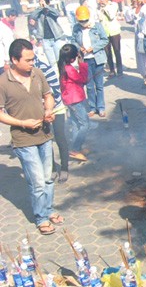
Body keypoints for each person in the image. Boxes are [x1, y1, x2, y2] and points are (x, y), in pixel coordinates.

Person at [0, 39, 63, 235]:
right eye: (28, 60)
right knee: (36, 181)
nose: (32, 63)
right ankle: (41, 218)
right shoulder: (3, 82)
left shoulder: (37, 74)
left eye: (33, 59)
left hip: (44, 134)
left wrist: (49, 110)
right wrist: (22, 123)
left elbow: (48, 95)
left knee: (48, 178)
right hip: (23, 139)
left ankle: (49, 209)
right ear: (14, 60)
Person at [33, 55, 70, 183]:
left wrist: (48, 108)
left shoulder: (45, 69)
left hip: (56, 108)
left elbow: (56, 92)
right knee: (47, 140)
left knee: (60, 138)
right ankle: (52, 168)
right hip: (39, 110)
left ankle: (64, 168)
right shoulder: (22, 73)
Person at [71, 5, 108, 118]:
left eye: (85, 20)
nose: (83, 22)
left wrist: (94, 47)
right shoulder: (76, 28)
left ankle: (101, 107)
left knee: (99, 86)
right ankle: (92, 107)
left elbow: (105, 40)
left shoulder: (96, 26)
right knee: (90, 86)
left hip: (97, 59)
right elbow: (73, 41)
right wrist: (79, 48)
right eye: (81, 21)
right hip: (85, 61)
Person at [57, 44, 90, 162]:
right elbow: (83, 79)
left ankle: (76, 148)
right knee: (85, 124)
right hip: (75, 100)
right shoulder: (69, 69)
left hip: (70, 99)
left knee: (76, 124)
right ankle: (75, 149)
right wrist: (82, 64)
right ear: (72, 58)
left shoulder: (63, 66)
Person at [29, 0, 66, 66]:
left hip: (56, 38)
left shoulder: (51, 11)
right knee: (52, 62)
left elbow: (57, 13)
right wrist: (40, 8)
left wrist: (47, 6)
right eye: (40, 1)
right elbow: (32, 16)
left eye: (43, 1)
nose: (41, 3)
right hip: (45, 40)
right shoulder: (39, 13)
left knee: (60, 60)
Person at [98, 0, 122, 77]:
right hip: (104, 32)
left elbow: (111, 16)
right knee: (107, 52)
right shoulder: (99, 7)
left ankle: (119, 70)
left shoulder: (113, 5)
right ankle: (112, 70)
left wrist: (106, 6)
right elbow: (99, 18)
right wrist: (100, 8)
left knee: (117, 51)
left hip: (114, 31)